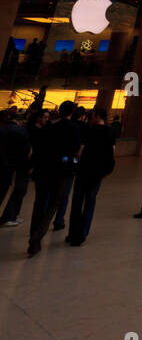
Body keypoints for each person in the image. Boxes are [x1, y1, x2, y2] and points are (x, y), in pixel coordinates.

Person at [28, 101, 82, 256]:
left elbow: (39, 148)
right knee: (54, 203)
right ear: (72, 112)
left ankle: (34, 237)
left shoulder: (49, 127)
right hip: (61, 171)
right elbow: (75, 150)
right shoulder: (73, 128)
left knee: (39, 203)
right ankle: (37, 235)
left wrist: (34, 166)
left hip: (44, 169)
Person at [67, 106, 115, 245]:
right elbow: (112, 152)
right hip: (97, 172)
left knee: (77, 202)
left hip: (83, 170)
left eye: (93, 115)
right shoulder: (110, 131)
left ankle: (73, 233)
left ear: (97, 116)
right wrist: (106, 171)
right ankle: (83, 233)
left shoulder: (88, 130)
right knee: (90, 201)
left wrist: (75, 164)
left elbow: (79, 152)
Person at [0, 108, 31, 227]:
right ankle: (9, 216)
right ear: (20, 121)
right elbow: (26, 149)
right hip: (13, 164)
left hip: (2, 163)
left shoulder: (2, 129)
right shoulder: (20, 131)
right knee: (10, 188)